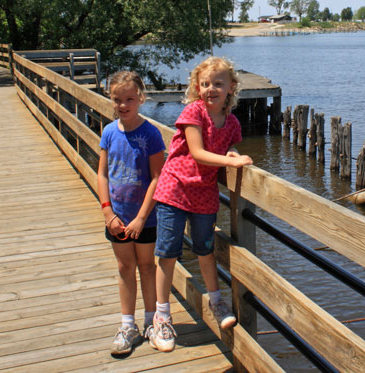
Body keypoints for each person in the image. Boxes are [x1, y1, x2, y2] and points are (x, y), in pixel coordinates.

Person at [148, 57, 252, 353]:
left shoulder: (231, 122)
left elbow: (226, 145)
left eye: (218, 83)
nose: (211, 89)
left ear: (231, 87)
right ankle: (162, 316)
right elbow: (198, 153)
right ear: (197, 87)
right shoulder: (193, 111)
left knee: (205, 251)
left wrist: (232, 151)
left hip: (204, 194)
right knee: (168, 253)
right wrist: (236, 160)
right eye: (205, 84)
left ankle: (217, 303)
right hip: (175, 190)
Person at [97, 70, 166, 356]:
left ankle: (151, 321)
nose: (123, 105)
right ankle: (128, 325)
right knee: (125, 268)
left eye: (129, 99)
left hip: (144, 218)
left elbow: (157, 177)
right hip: (117, 217)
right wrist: (107, 212)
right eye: (117, 99)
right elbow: (102, 174)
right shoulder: (109, 132)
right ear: (110, 100)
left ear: (141, 98)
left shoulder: (150, 133)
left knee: (147, 267)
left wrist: (140, 218)